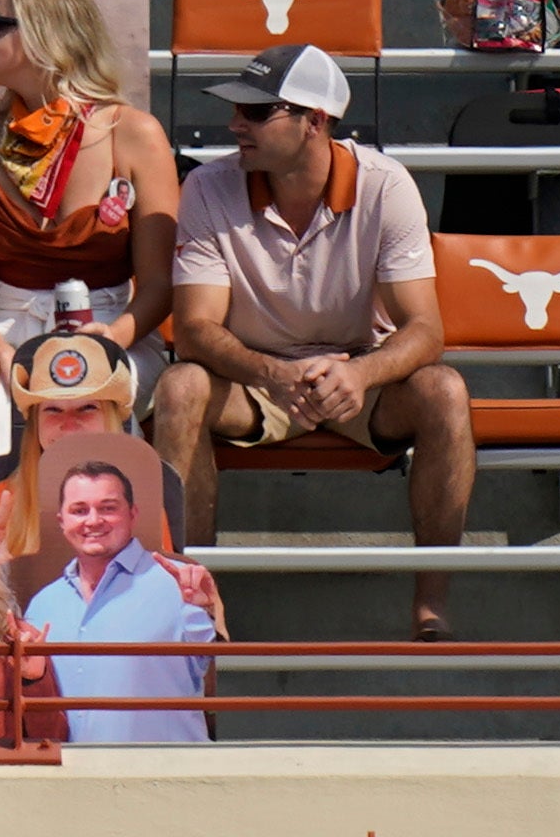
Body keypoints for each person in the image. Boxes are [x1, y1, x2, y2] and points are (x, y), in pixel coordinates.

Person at [158, 44, 463, 630]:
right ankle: (190, 602)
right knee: (180, 386)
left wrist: (358, 374)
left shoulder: (386, 185)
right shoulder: (207, 186)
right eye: (237, 111)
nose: (234, 125)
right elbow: (193, 330)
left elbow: (426, 332)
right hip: (255, 380)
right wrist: (275, 373)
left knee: (444, 390)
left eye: (255, 112)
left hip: (355, 376)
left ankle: (433, 605)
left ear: (314, 122)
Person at [0, 0, 179, 401]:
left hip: (112, 325)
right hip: (2, 323)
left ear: (44, 37)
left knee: (92, 389)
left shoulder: (135, 133)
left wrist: (113, 336)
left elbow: (159, 283)